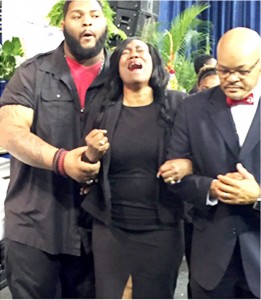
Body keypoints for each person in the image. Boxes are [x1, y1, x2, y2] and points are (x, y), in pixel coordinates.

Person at [0, 0, 110, 298]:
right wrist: (62, 161)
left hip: (98, 232)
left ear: (105, 24)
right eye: (77, 15)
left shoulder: (121, 79)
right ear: (63, 24)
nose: (87, 22)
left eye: (94, 15)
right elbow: (9, 132)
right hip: (35, 228)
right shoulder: (32, 73)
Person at [81, 37, 192, 299]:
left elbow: (202, 154)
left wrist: (188, 165)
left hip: (162, 228)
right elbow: (84, 169)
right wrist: (90, 154)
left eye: (140, 50)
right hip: (110, 227)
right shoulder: (101, 108)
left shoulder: (179, 105)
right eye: (125, 53)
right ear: (116, 68)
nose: (134, 55)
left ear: (153, 62)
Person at [164, 27, 261, 298]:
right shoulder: (193, 107)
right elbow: (175, 177)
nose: (231, 79)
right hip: (211, 263)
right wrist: (211, 189)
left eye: (241, 71)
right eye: (223, 70)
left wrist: (258, 196)